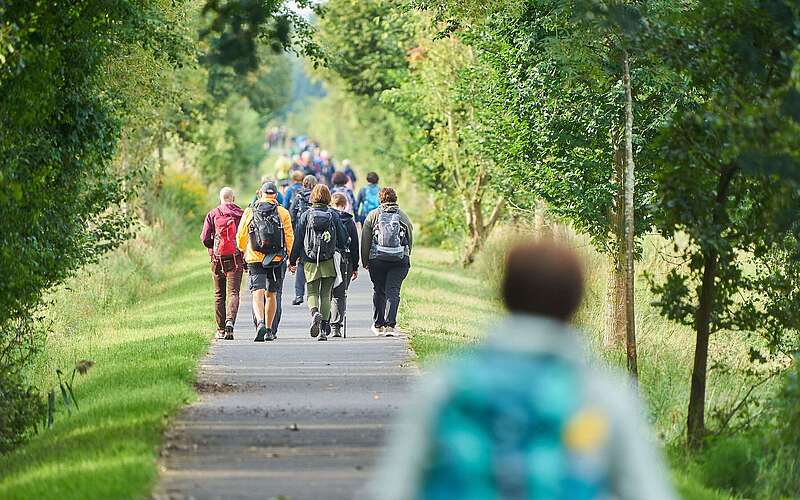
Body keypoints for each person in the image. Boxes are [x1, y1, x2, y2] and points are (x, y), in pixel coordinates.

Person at [371, 241, 677, 500]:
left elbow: (394, 488)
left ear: (505, 295)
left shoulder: (448, 386)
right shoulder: (603, 397)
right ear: (575, 303)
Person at [236, 181, 294, 342]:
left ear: (260, 193)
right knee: (271, 294)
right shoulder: (282, 212)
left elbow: (241, 235)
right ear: (275, 195)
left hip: (254, 257)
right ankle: (269, 330)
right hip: (275, 258)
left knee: (257, 292)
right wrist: (291, 258)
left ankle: (260, 322)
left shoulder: (250, 211)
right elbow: (289, 237)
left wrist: (243, 249)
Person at [289, 184, 348, 341]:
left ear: (313, 197)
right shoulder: (333, 215)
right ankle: (323, 329)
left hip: (309, 260)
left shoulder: (306, 215)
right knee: (326, 294)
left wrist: (292, 260)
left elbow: (298, 240)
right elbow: (342, 239)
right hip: (328, 259)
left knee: (312, 292)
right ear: (328, 197)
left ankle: (314, 312)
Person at [361, 187, 413, 336]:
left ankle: (378, 325)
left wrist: (365, 260)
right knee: (393, 291)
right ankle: (391, 326)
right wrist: (406, 256)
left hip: (377, 259)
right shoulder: (403, 216)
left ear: (380, 200)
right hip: (399, 259)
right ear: (395, 199)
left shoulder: (373, 216)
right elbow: (410, 238)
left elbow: (365, 240)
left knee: (379, 290)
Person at [200, 187, 244, 340]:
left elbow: (205, 238)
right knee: (233, 292)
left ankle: (220, 329)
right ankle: (230, 322)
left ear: (220, 198)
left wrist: (213, 249)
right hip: (236, 258)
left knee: (219, 294)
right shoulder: (241, 214)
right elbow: (245, 237)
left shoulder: (213, 214)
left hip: (217, 259)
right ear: (234, 198)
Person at [330, 192, 360, 338]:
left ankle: (324, 322)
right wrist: (355, 267)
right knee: (340, 294)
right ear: (345, 205)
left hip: (327, 259)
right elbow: (354, 245)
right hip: (345, 261)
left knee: (326, 292)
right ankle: (336, 326)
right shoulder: (349, 222)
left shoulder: (327, 217)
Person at [289, 175, 317, 305]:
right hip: (316, 234)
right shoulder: (317, 197)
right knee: (314, 261)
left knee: (300, 264)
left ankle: (299, 294)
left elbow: (291, 216)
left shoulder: (298, 197)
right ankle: (314, 294)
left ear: (303, 184)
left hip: (301, 233)